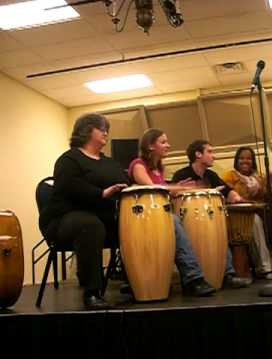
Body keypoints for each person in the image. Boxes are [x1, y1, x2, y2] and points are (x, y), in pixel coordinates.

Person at [135, 135, 251, 290]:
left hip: (171, 212)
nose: (168, 145)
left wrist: (236, 197)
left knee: (218, 224)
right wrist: (181, 188)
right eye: (163, 142)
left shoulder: (160, 169)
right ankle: (193, 278)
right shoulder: (141, 165)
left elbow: (227, 190)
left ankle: (227, 274)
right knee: (176, 221)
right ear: (198, 154)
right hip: (155, 216)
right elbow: (153, 191)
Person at [39, 113, 128, 310]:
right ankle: (92, 293)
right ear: (87, 130)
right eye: (101, 128)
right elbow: (68, 186)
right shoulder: (69, 159)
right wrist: (101, 193)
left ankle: (134, 283)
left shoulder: (109, 162)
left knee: (132, 225)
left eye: (107, 128)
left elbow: (124, 180)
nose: (106, 132)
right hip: (64, 219)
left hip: (100, 219)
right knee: (89, 224)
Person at [222, 146, 272, 278]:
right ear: (236, 160)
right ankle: (266, 267)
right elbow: (228, 196)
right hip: (241, 216)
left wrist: (269, 185)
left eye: (248, 158)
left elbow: (268, 196)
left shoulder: (259, 176)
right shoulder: (229, 176)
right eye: (241, 158)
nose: (245, 161)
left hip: (261, 211)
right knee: (255, 221)